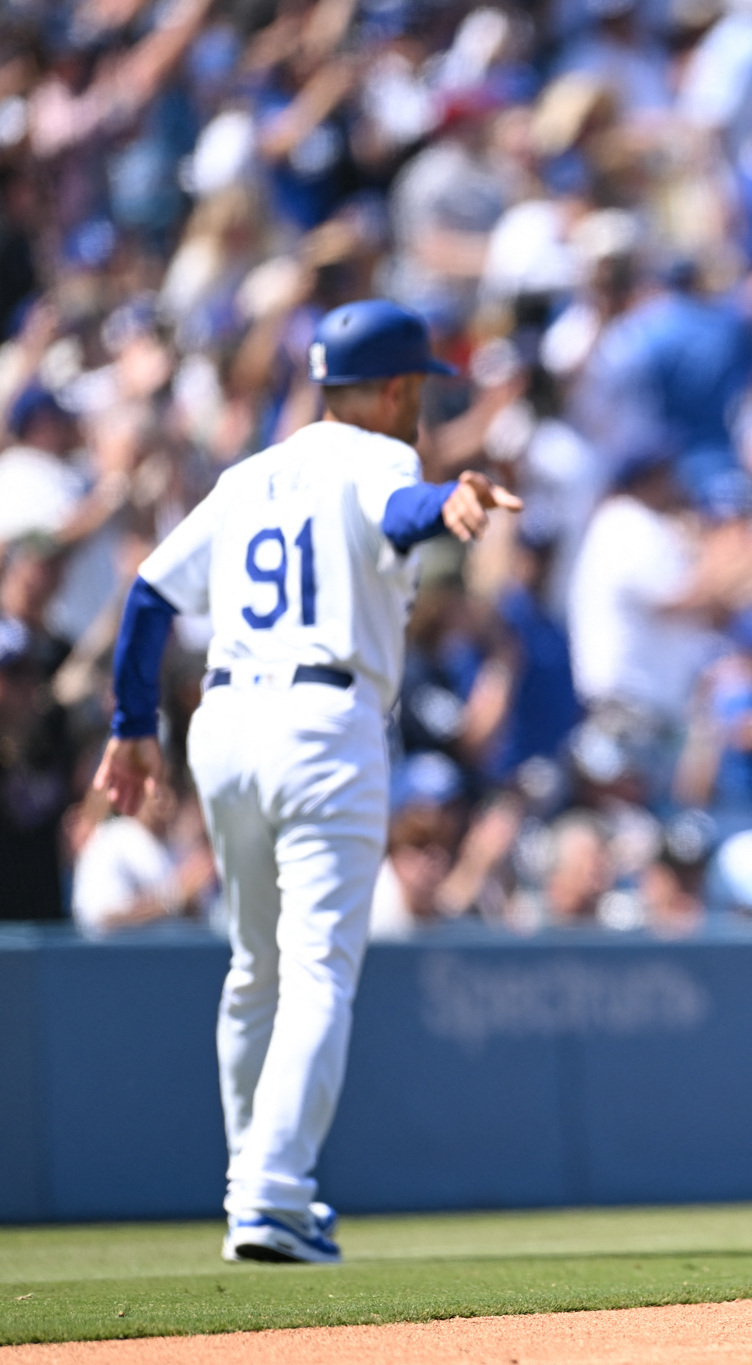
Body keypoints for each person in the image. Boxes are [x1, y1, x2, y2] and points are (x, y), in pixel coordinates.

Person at [91, 300, 522, 1264]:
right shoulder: (382, 459)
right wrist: (445, 503)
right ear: (400, 387)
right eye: (419, 391)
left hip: (224, 723)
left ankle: (254, 1187)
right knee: (318, 966)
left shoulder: (247, 473)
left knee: (255, 969)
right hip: (324, 720)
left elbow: (151, 593)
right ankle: (274, 1195)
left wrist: (131, 726)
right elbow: (400, 510)